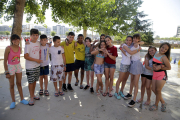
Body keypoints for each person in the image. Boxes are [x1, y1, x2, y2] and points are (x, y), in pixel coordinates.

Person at [4, 34, 28, 109]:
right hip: (11, 67)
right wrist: (7, 72)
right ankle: (13, 101)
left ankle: (22, 99)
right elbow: (5, 62)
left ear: (19, 40)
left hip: (18, 66)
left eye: (17, 39)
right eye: (14, 39)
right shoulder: (8, 48)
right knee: (11, 85)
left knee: (19, 83)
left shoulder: (19, 48)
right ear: (11, 40)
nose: (16, 41)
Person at [149, 42, 171, 112]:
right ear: (160, 47)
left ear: (167, 51)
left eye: (166, 49)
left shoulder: (164, 57)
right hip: (154, 74)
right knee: (153, 89)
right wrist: (155, 66)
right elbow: (155, 61)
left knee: (158, 90)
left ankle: (156, 105)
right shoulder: (156, 53)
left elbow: (169, 67)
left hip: (161, 75)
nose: (163, 49)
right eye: (162, 47)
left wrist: (160, 67)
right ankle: (163, 102)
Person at [124, 34, 143, 107]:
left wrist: (138, 43)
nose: (135, 40)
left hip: (137, 64)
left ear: (138, 39)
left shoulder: (136, 45)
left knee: (135, 83)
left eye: (136, 38)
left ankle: (134, 100)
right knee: (131, 81)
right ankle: (130, 94)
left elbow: (142, 42)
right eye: (134, 38)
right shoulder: (133, 44)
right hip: (132, 64)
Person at [24, 29, 42, 106]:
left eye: (36, 35)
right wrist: (36, 60)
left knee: (34, 82)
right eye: (33, 35)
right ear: (30, 35)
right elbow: (25, 56)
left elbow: (45, 43)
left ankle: (33, 95)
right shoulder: (28, 44)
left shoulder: (38, 43)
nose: (35, 37)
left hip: (37, 66)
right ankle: (31, 97)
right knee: (31, 82)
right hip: (30, 67)